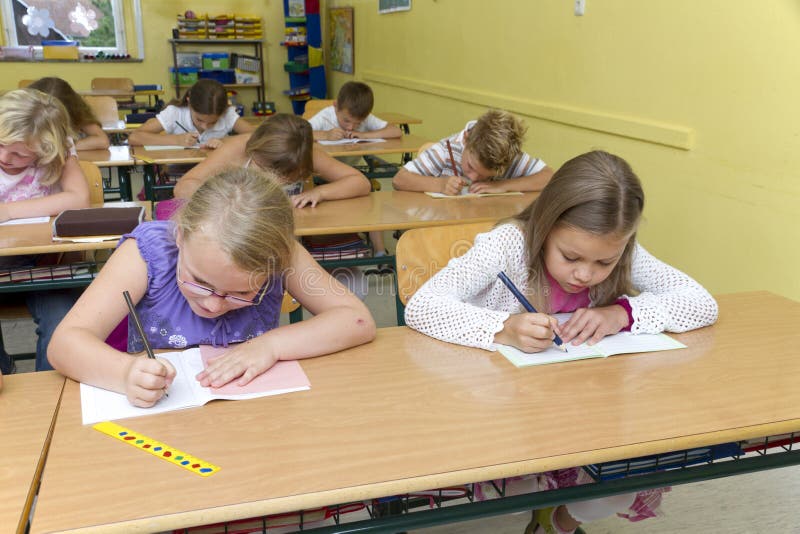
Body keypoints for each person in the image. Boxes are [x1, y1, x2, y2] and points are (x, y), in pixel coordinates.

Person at [404, 150, 719, 533]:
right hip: (505, 411)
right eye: (570, 257)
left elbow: (701, 302)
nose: (586, 274)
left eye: (604, 264)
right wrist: (504, 327)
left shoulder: (619, 251)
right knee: (512, 496)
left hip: (588, 412)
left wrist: (621, 313)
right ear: (546, 224)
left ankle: (558, 523)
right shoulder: (507, 245)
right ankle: (535, 508)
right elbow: (422, 307)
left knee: (623, 484)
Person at [48, 167, 376, 407]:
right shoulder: (146, 252)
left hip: (254, 415)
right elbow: (64, 344)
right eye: (201, 282)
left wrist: (271, 346)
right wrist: (124, 373)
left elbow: (356, 320)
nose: (214, 305)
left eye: (242, 293)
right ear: (179, 236)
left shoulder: (282, 253)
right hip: (164, 421)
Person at [0, 88, 90, 373]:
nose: (5, 156)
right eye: (0, 144)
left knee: (62, 322)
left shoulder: (58, 151)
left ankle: (48, 396)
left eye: (18, 153)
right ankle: (6, 374)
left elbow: (79, 199)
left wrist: (9, 211)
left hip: (42, 265)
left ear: (44, 150)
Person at [174, 113, 371, 206]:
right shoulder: (238, 148)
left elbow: (360, 182)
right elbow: (183, 187)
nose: (277, 180)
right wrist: (230, 198)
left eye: (286, 176)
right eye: (265, 167)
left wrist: (320, 193)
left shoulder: (305, 151)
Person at [307, 81, 402, 272]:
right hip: (323, 175)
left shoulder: (363, 120)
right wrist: (324, 134)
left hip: (353, 176)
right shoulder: (325, 116)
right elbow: (299, 132)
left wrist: (362, 132)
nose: (351, 126)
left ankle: (380, 252)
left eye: (357, 123)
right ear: (335, 106)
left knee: (372, 200)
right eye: (346, 121)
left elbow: (396, 131)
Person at [392, 109, 554, 196]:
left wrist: (502, 185)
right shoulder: (445, 151)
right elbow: (400, 179)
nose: (473, 178)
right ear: (466, 140)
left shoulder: (507, 156)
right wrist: (440, 185)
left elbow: (549, 177)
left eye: (485, 175)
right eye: (470, 166)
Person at [128, 79, 254, 149]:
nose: (205, 127)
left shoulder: (227, 114)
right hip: (177, 172)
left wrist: (225, 141)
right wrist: (176, 140)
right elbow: (134, 137)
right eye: (199, 120)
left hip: (216, 175)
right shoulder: (175, 113)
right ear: (189, 103)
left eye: (213, 122)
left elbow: (258, 136)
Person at [28, 77, 111, 151]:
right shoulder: (24, 114)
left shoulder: (78, 114)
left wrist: (65, 147)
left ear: (68, 109)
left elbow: (103, 141)